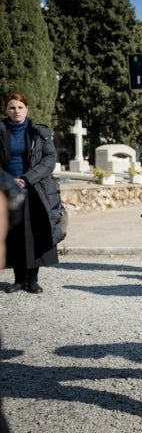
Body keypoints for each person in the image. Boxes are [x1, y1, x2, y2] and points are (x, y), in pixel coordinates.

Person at [1, 93, 65, 294]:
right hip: (6, 189)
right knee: (14, 235)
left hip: (34, 188)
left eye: (20, 107)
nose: (16, 111)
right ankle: (19, 279)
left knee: (33, 234)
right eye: (12, 108)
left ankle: (33, 279)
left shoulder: (40, 132)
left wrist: (27, 178)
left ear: (27, 109)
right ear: (6, 110)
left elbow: (49, 159)